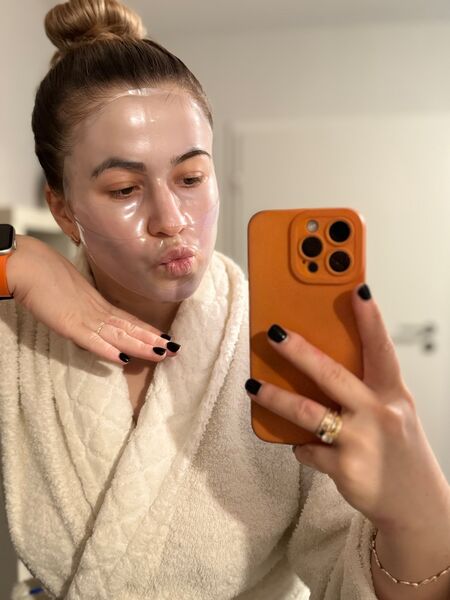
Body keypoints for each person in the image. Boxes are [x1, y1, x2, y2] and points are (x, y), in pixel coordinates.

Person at [0, 1, 449, 599]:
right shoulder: (17, 326)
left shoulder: (286, 346)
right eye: (125, 188)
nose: (171, 219)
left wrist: (418, 519)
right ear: (62, 210)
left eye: (191, 178)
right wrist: (13, 261)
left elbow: (350, 585)